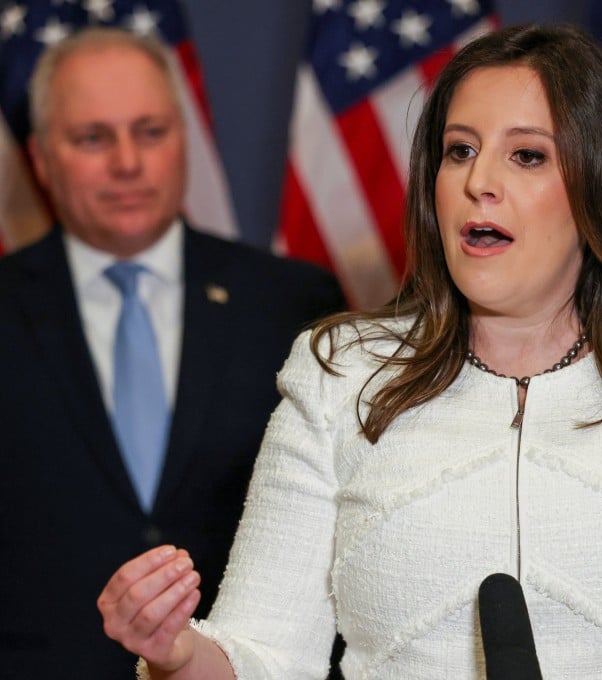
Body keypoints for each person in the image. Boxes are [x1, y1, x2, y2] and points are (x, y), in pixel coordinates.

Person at [99, 23, 602, 679]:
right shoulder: (340, 372)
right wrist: (174, 654)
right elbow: (263, 654)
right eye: (459, 151)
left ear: (597, 183)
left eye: (526, 156)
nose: (478, 183)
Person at [0, 27, 345, 678]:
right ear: (43, 159)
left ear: (184, 139)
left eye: (151, 131)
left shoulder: (293, 301)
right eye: (93, 138)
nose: (128, 163)